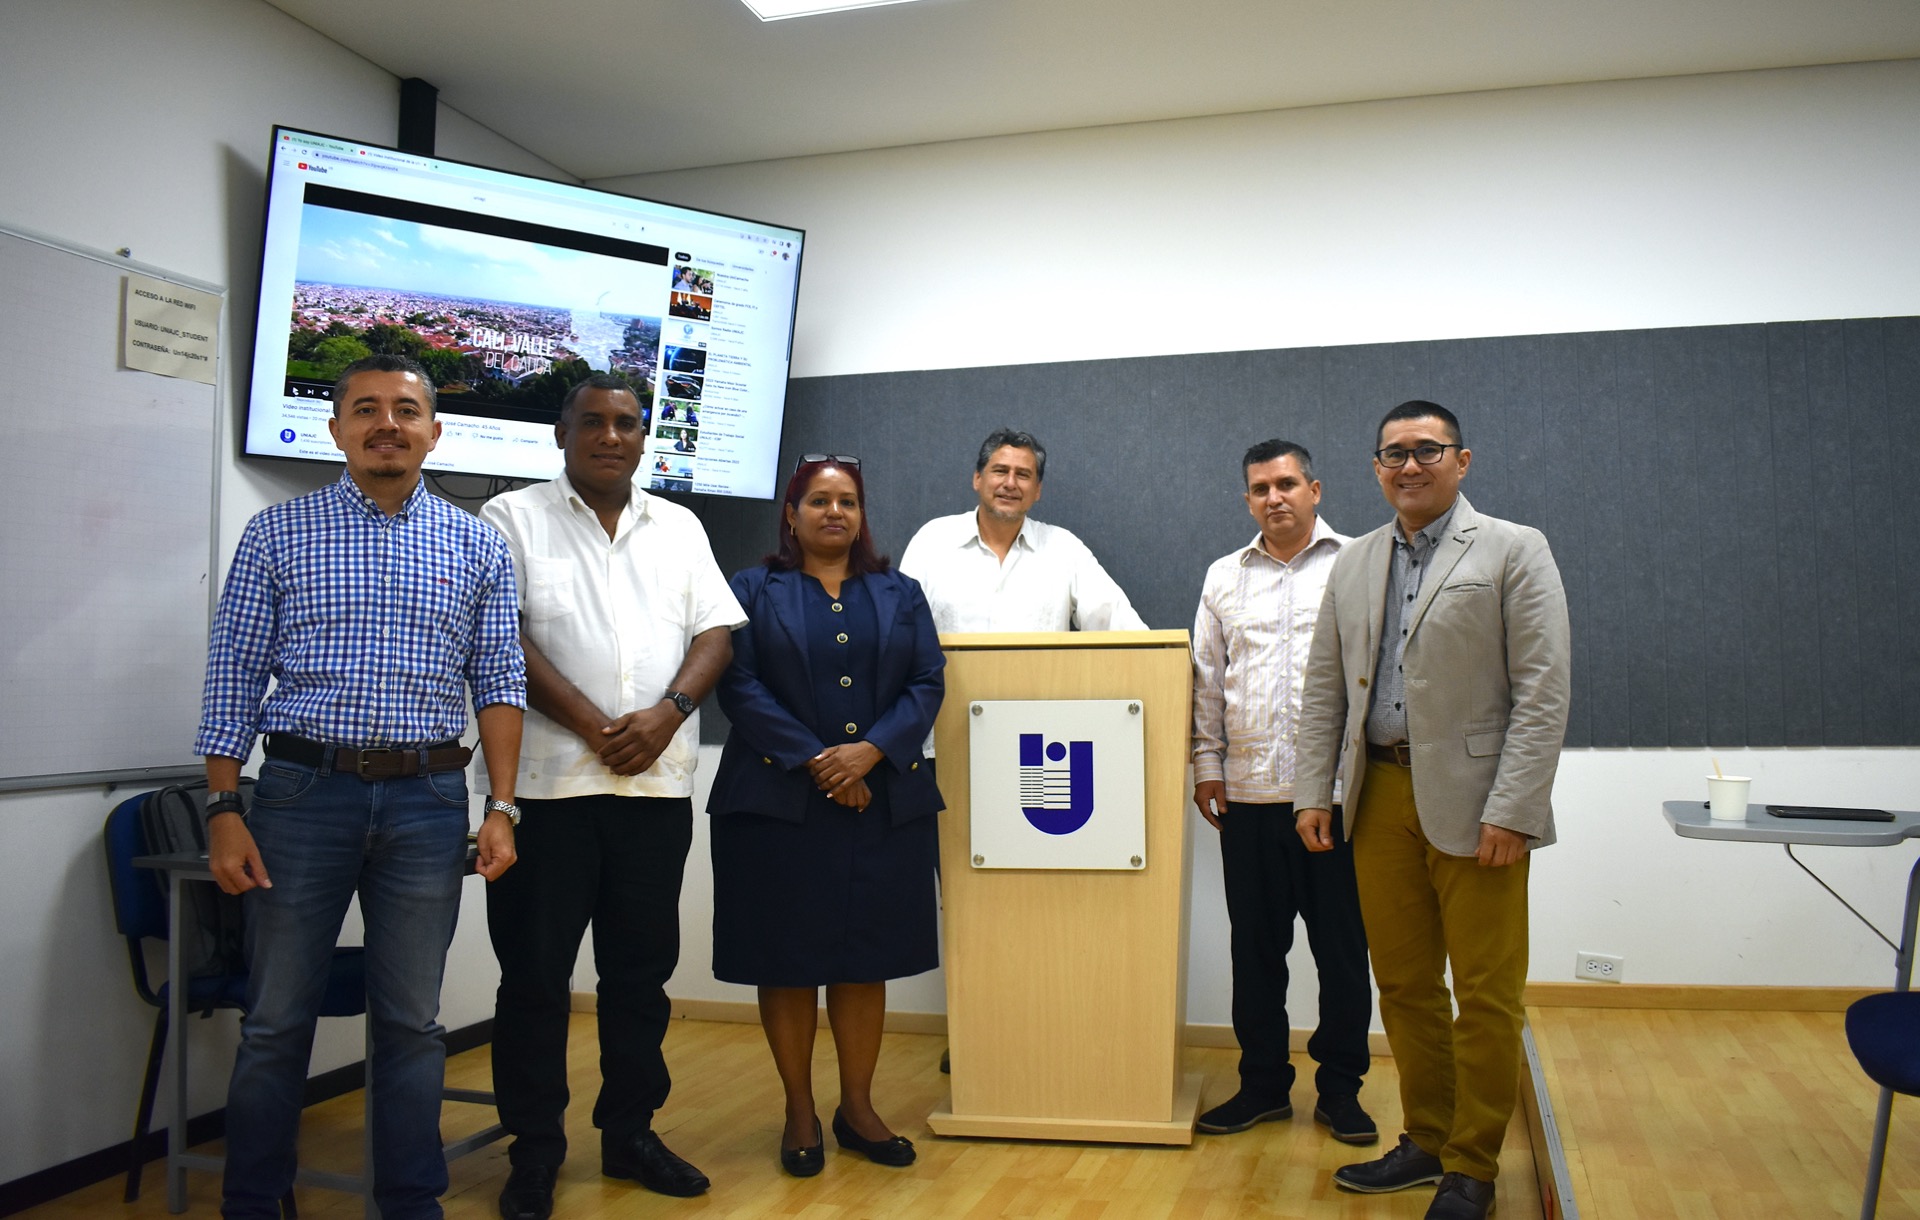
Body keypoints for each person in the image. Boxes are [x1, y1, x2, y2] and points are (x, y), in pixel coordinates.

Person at [195, 354, 526, 1220]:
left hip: (425, 803)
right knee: (275, 1021)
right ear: (336, 427)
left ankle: (412, 1203)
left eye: (407, 410)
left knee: (412, 1024)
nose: (388, 424)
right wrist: (225, 809)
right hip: (302, 794)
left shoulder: (477, 542)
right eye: (368, 409)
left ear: (433, 431)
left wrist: (501, 807)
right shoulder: (277, 533)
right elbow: (232, 676)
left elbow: (498, 683)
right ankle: (254, 1202)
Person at [1293, 401, 1571, 1220]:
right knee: (1406, 984)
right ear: (1376, 467)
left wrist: (1515, 807)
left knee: (1485, 992)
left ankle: (1474, 1165)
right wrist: (1317, 790)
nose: (1408, 466)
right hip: (1376, 797)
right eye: (1392, 454)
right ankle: (1426, 1138)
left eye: (1426, 450)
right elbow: (1322, 689)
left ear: (1462, 459)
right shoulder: (1353, 561)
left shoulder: (1515, 549)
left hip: (1480, 801)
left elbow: (1544, 688)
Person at [479, 375, 745, 1218]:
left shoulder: (681, 527)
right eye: (591, 422)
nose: (610, 435)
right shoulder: (510, 519)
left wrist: (670, 715)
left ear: (643, 437)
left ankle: (629, 1134)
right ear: (562, 435)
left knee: (640, 977)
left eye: (626, 423)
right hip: (546, 794)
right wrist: (596, 724)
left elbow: (715, 632)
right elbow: (501, 639)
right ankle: (536, 1152)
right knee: (534, 981)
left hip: (652, 791)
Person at [707, 455, 945, 1178]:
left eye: (847, 501)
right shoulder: (751, 589)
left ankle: (859, 1108)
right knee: (786, 963)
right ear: (791, 513)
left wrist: (869, 752)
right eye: (818, 500)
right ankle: (800, 1111)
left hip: (882, 804)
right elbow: (736, 684)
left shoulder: (901, 592)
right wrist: (820, 760)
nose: (833, 512)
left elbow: (928, 679)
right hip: (776, 807)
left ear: (862, 513)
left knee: (863, 961)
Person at [1190, 439, 1375, 1145]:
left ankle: (1341, 1091)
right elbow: (1207, 679)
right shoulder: (1222, 577)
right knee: (1256, 955)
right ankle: (1262, 1085)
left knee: (1341, 953)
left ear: (1316, 489)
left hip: (1336, 802)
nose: (1275, 497)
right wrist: (1206, 765)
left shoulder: (1360, 563)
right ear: (1247, 500)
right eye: (1261, 488)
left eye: (1288, 484)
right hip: (1248, 800)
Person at [897, 427, 1147, 633]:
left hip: (1039, 693)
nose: (1010, 483)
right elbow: (899, 631)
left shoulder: (1064, 550)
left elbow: (1120, 625)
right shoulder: (932, 541)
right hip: (948, 693)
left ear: (1037, 490)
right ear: (977, 479)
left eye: (1023, 475)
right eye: (1000, 471)